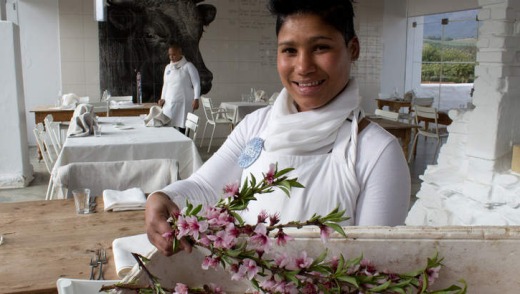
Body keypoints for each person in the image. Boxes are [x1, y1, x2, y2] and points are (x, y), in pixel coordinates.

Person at [146, 0, 411, 256]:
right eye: (289, 50)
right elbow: (205, 188)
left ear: (353, 49)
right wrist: (163, 197)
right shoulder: (255, 126)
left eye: (320, 47)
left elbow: (371, 265)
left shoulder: (377, 152)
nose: (303, 67)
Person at [158, 43, 200, 132]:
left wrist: (196, 99)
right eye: (169, 55)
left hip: (184, 103)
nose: (171, 57)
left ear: (180, 53)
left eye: (174, 54)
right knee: (169, 128)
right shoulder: (168, 68)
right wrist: (162, 98)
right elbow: (165, 84)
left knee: (183, 127)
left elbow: (196, 83)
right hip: (169, 103)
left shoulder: (188, 66)